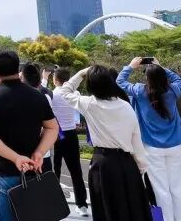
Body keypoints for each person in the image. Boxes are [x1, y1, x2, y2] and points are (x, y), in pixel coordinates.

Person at [58, 66, 151, 221]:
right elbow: (136, 140)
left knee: (106, 210)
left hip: (103, 163)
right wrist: (141, 167)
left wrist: (81, 73)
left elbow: (64, 92)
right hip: (127, 163)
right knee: (131, 210)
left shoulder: (89, 104)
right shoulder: (125, 106)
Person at [0, 51, 58, 221]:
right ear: (17, 69)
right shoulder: (37, 95)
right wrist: (39, 152)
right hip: (34, 169)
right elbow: (52, 128)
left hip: (3, 172)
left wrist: (16, 158)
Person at [117, 58, 181, 221]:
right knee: (180, 188)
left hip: (151, 148)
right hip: (174, 147)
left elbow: (120, 82)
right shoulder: (173, 90)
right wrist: (161, 66)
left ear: (147, 78)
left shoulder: (140, 91)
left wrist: (130, 66)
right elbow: (178, 79)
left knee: (161, 190)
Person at [51, 67, 89, 217]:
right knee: (76, 171)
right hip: (71, 134)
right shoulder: (75, 94)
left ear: (55, 79)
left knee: (55, 170)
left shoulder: (52, 94)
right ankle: (82, 205)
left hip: (55, 135)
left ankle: (54, 203)